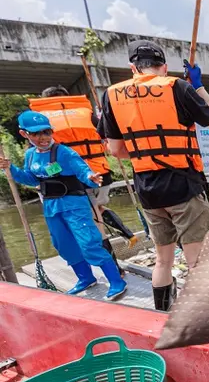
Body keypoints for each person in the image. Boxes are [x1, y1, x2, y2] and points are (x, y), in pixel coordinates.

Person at [98, 40, 209, 311]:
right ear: (164, 67)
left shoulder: (111, 95)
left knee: (163, 260)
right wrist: (198, 86)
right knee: (196, 262)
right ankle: (204, 320)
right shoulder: (177, 87)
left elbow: (116, 150)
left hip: (148, 190)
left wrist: (148, 153)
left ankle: (163, 315)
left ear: (133, 68)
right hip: (184, 186)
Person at [0, 111, 127, 300]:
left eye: (46, 132)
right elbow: (30, 179)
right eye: (36, 134)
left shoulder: (64, 152)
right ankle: (85, 278)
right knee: (63, 244)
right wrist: (10, 168)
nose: (43, 138)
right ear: (24, 134)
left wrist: (91, 178)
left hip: (74, 205)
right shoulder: (30, 155)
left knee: (89, 242)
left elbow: (83, 170)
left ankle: (116, 281)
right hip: (51, 207)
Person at [29, 86, 138, 273]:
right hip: (100, 173)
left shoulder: (40, 121)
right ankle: (127, 235)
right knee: (97, 209)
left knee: (94, 221)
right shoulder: (85, 113)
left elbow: (37, 156)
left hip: (70, 181)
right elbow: (107, 135)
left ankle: (115, 269)